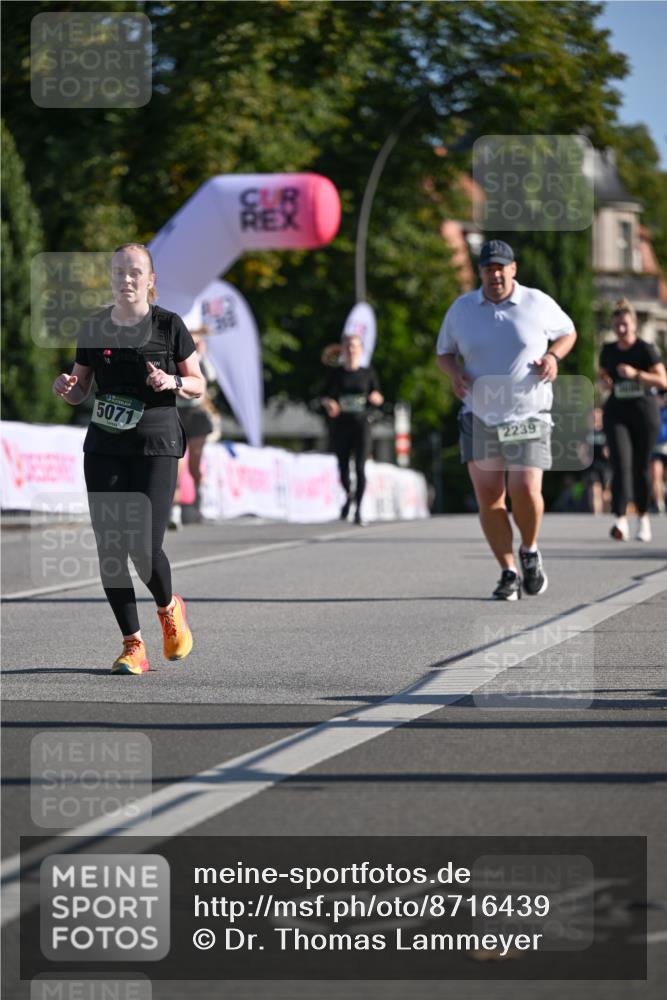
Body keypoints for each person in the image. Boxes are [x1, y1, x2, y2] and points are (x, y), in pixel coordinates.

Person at [52, 243, 205, 674]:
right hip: (105, 445)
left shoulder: (168, 325)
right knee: (111, 550)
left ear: (150, 279)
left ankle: (168, 607)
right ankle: (132, 644)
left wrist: (172, 380)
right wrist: (67, 388)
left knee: (143, 546)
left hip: (156, 444)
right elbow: (81, 387)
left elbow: (199, 385)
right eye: (119, 271)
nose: (127, 279)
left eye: (135, 272)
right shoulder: (95, 326)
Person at [436, 239, 577, 600]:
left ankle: (529, 550)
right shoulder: (462, 309)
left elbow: (568, 331)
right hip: (479, 414)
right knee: (490, 497)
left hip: (528, 412)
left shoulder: (537, 302)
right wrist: (454, 374)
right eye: (488, 267)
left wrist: (554, 357)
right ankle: (508, 571)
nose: (494, 273)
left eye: (501, 267)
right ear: (480, 271)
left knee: (525, 489)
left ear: (513, 269)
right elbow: (444, 353)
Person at [598, 298, 667, 542]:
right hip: (617, 412)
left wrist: (636, 374)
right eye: (617, 325)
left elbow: (663, 381)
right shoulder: (608, 350)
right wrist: (604, 381)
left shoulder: (645, 349)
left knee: (640, 466)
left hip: (644, 413)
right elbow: (602, 374)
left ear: (634, 325)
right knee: (620, 463)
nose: (621, 329)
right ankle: (620, 519)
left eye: (625, 325)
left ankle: (644, 517)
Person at [321, 333, 384, 525]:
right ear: (343, 349)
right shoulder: (336, 373)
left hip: (362, 424)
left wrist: (376, 398)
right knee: (342, 467)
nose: (351, 350)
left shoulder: (367, 373)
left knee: (360, 467)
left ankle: (359, 509)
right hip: (341, 425)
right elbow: (323, 396)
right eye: (348, 346)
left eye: (355, 346)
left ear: (360, 350)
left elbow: (379, 396)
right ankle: (348, 495)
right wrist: (329, 403)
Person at [169, 328, 219, 529]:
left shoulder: (201, 360)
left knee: (194, 465)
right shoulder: (172, 357)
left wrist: (202, 355)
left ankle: (202, 499)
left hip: (197, 414)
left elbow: (210, 378)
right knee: (177, 466)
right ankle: (175, 512)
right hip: (177, 413)